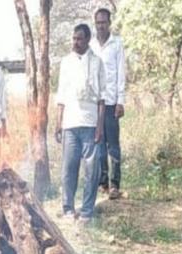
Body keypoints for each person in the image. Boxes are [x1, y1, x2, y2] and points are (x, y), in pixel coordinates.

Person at [55, 24, 106, 222]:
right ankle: (68, 209)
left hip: (90, 122)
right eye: (74, 38)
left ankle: (86, 211)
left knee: (92, 170)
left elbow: (102, 98)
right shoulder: (66, 62)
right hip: (70, 123)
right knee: (69, 169)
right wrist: (58, 123)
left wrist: (100, 127)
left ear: (87, 40)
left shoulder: (97, 62)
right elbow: (61, 95)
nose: (75, 42)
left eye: (79, 39)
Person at [90, 8, 126, 200]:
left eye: (104, 22)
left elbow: (121, 74)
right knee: (99, 144)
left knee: (113, 145)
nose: (101, 26)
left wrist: (121, 101)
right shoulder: (91, 45)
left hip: (112, 102)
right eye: (98, 23)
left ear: (109, 23)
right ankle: (102, 182)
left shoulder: (117, 44)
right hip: (96, 104)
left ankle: (114, 184)